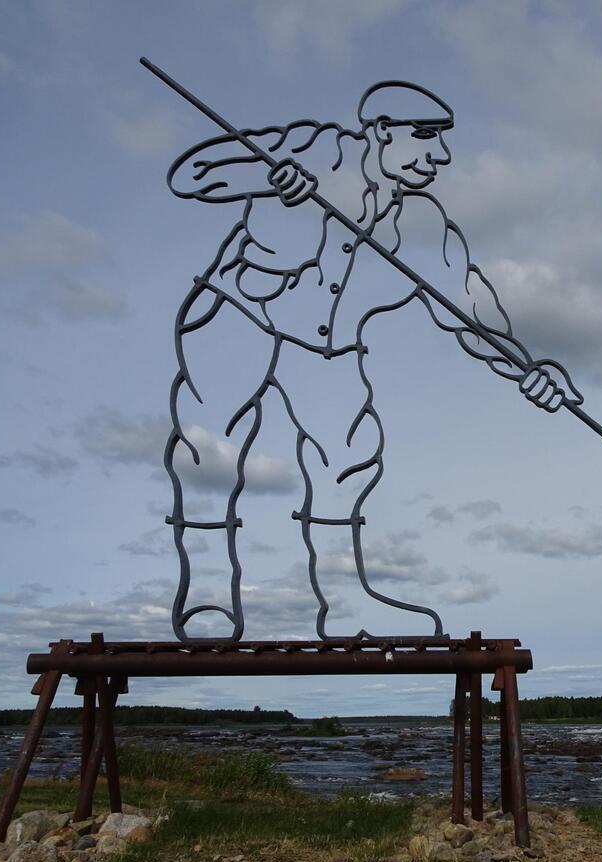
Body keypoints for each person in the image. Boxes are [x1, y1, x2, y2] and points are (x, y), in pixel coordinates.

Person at [162, 81, 581, 642]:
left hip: (326, 347)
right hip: (241, 319)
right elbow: (192, 175)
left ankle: (349, 607)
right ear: (382, 131)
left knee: (346, 457)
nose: (442, 156)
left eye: (444, 140)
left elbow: (470, 308)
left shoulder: (424, 226)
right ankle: (209, 594)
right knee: (209, 449)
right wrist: (269, 176)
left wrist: (527, 369)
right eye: (426, 137)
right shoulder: (316, 149)